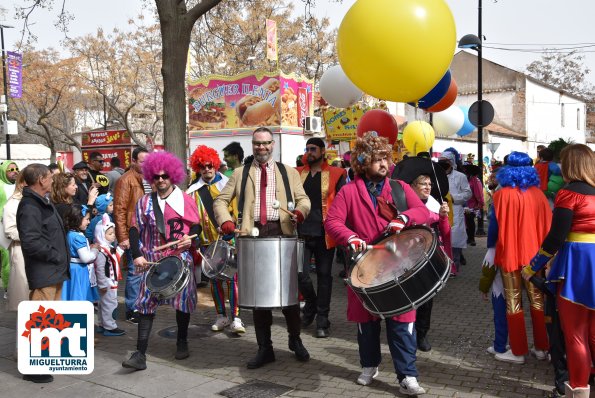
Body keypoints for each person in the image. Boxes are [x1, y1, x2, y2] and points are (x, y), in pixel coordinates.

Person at [325, 132, 431, 396]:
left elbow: (423, 212)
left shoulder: (400, 188)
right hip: (365, 267)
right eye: (378, 159)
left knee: (403, 324)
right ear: (363, 162)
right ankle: (369, 365)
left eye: (386, 157)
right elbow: (333, 221)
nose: (385, 163)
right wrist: (349, 236)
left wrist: (404, 218)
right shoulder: (349, 191)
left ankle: (407, 376)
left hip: (399, 267)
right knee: (367, 323)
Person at [214, 127, 311, 369]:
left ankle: (295, 340)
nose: (262, 148)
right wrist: (225, 221)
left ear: (273, 145)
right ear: (252, 145)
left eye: (266, 143)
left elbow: (304, 200)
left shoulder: (288, 172)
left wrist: (299, 212)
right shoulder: (239, 173)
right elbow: (220, 200)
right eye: (258, 144)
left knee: (289, 296)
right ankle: (265, 348)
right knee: (259, 298)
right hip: (252, 236)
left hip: (282, 233)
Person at [522, 144, 595, 397]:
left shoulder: (568, 194)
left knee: (576, 335)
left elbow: (555, 238)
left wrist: (532, 267)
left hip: (576, 266)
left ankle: (577, 390)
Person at [121, 151, 202, 371]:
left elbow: (196, 226)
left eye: (165, 176)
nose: (160, 180)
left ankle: (182, 340)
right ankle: (140, 354)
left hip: (179, 258)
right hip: (151, 260)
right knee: (146, 304)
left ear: (173, 176)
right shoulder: (144, 202)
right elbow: (134, 229)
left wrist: (189, 238)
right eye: (156, 177)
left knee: (183, 302)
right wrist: (137, 254)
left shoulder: (185, 199)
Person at [488, 151, 551, 364]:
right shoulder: (540, 195)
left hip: (510, 254)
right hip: (535, 258)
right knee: (538, 301)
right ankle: (542, 347)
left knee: (513, 301)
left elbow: (493, 230)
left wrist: (490, 250)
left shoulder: (500, 195)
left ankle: (518, 351)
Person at [17, 163, 69, 384]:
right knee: (39, 320)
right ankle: (32, 368)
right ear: (40, 180)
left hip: (53, 271)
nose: (52, 179)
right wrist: (55, 255)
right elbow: (31, 242)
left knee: (48, 322)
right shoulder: (30, 206)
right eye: (49, 176)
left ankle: (42, 361)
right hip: (45, 271)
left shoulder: (42, 202)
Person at [186, 145, 244, 334]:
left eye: (210, 165)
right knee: (215, 281)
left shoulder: (229, 185)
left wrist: (231, 226)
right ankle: (221, 316)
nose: (207, 169)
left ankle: (236, 317)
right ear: (198, 168)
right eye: (203, 166)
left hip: (228, 240)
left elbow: (237, 212)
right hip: (207, 243)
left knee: (232, 279)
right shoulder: (192, 191)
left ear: (216, 165)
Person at [296, 137, 346, 338]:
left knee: (325, 277)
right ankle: (311, 305)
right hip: (300, 231)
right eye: (307, 149)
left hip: (325, 233)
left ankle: (322, 319)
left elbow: (343, 203)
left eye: (313, 149)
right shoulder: (297, 173)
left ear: (323, 151)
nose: (310, 152)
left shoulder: (337, 173)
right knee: (300, 275)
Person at [409, 174, 451, 352]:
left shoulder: (435, 204)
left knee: (427, 298)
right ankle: (407, 333)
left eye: (429, 184)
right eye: (423, 184)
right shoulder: (404, 204)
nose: (427, 187)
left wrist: (442, 217)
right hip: (408, 257)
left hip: (429, 257)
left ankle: (422, 333)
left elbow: (446, 232)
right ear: (413, 186)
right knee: (410, 297)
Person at [113, 147, 149, 324]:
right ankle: (131, 308)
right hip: (133, 232)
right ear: (133, 161)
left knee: (145, 270)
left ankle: (142, 304)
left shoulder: (151, 178)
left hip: (149, 232)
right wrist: (123, 236)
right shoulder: (125, 180)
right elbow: (119, 209)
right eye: (143, 161)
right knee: (135, 272)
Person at [438, 151, 471, 275]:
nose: (442, 163)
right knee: (442, 241)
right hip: (441, 212)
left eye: (445, 161)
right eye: (440, 161)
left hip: (456, 212)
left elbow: (468, 193)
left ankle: (454, 269)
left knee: (455, 243)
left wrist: (453, 197)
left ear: (451, 162)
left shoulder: (460, 176)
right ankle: (443, 270)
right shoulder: (436, 176)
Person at [94, 214, 125, 336]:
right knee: (110, 305)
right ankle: (110, 327)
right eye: (110, 234)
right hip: (108, 283)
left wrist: (121, 249)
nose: (113, 236)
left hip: (109, 282)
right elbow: (100, 269)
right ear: (101, 234)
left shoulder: (107, 248)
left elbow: (115, 259)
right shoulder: (101, 251)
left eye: (113, 233)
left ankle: (102, 325)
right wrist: (102, 284)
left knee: (103, 305)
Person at [61, 204, 99, 302]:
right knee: (79, 297)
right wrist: (95, 250)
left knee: (70, 295)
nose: (89, 222)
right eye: (86, 219)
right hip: (79, 271)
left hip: (70, 269)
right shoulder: (78, 237)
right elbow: (86, 258)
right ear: (78, 219)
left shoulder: (69, 233)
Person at [4, 172, 29, 311]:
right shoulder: (13, 203)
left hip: (34, 252)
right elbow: (9, 230)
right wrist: (32, 235)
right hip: (21, 250)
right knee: (23, 298)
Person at [0, 160, 18, 295]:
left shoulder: (20, 185)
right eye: (10, 170)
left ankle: (11, 288)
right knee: (5, 257)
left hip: (16, 227)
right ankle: (7, 287)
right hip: (2, 227)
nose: (15, 172)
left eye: (16, 169)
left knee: (11, 258)